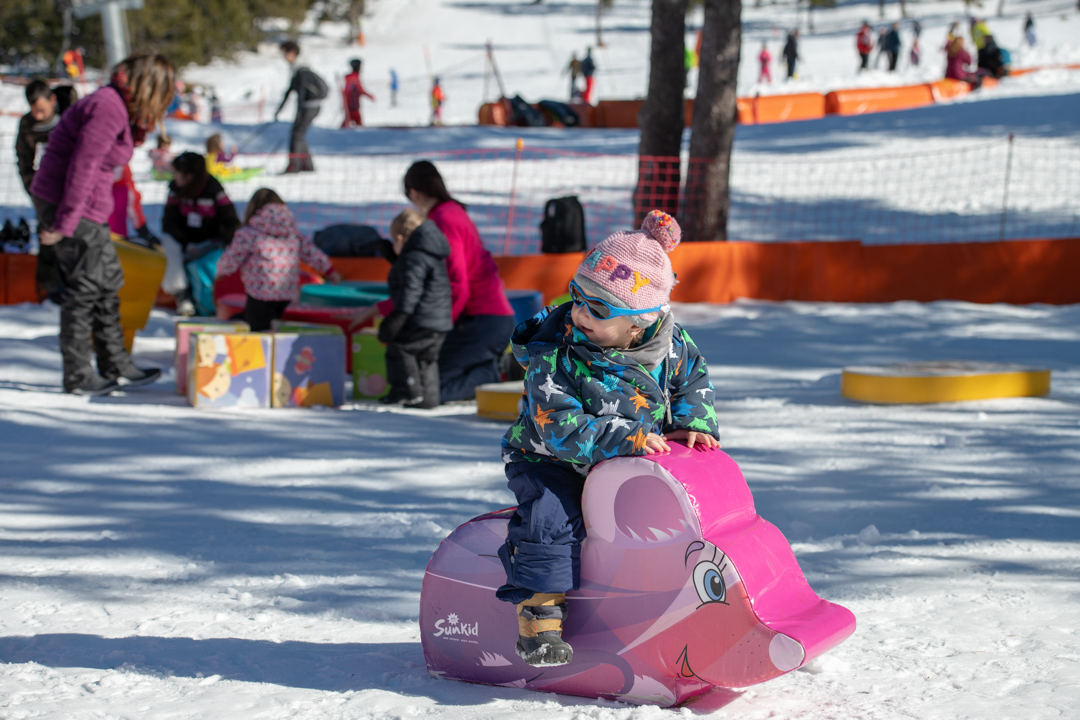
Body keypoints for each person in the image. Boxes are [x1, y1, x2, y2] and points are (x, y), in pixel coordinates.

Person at [494, 210, 721, 666]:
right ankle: (539, 616)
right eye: (577, 297)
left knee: (668, 518)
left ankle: (670, 602)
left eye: (598, 309)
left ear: (639, 323)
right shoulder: (556, 355)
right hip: (551, 460)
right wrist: (626, 436)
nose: (579, 313)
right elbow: (558, 428)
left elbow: (692, 380)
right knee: (551, 518)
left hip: (627, 459)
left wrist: (693, 422)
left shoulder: (672, 345)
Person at [29, 53, 174, 396]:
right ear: (148, 87)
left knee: (109, 280)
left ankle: (115, 363)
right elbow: (84, 165)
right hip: (70, 204)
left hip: (88, 207)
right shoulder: (108, 107)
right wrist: (65, 222)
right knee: (84, 288)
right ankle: (79, 376)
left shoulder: (117, 107)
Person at [402, 161, 515, 402]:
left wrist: (436, 328)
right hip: (484, 319)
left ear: (414, 193)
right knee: (425, 375)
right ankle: (494, 367)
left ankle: (498, 372)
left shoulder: (444, 221)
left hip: (482, 322)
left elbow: (457, 285)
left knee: (430, 389)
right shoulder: (452, 212)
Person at [215, 188, 341, 332]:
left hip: (260, 295)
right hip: (287, 295)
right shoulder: (292, 232)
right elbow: (311, 253)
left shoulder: (249, 233)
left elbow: (233, 256)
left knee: (257, 330)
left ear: (253, 208)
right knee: (278, 329)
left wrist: (221, 271)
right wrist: (330, 271)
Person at [373, 209, 452, 408]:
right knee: (426, 358)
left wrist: (396, 319)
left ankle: (406, 391)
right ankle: (428, 398)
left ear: (401, 238)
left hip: (421, 317)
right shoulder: (431, 252)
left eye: (394, 241)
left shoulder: (413, 258)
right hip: (440, 320)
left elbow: (410, 291)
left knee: (400, 347)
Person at [16, 80, 76, 301]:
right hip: (46, 193)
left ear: (52, 100)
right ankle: (49, 287)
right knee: (47, 236)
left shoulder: (72, 114)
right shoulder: (28, 125)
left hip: (76, 187)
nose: (38, 116)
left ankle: (75, 284)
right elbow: (23, 161)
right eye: (34, 111)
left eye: (42, 110)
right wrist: (35, 191)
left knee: (75, 235)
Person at [161, 152, 241, 315]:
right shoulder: (175, 190)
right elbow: (168, 222)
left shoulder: (213, 189)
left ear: (189, 176)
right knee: (168, 245)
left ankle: (211, 299)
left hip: (211, 243)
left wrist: (214, 243)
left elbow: (232, 222)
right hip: (185, 242)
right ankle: (181, 294)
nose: (174, 177)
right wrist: (186, 244)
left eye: (176, 173)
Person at [274, 41, 328, 174]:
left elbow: (301, 95)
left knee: (296, 134)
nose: (284, 56)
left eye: (285, 53)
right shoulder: (297, 68)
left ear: (292, 53)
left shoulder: (301, 70)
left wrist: (298, 112)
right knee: (299, 134)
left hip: (310, 106)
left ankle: (295, 165)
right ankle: (307, 165)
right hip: (310, 106)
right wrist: (279, 110)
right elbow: (290, 90)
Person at [342, 58, 375, 128]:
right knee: (357, 122)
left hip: (349, 104)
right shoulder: (354, 77)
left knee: (348, 121)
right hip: (353, 105)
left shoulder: (349, 77)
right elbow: (359, 89)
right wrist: (369, 96)